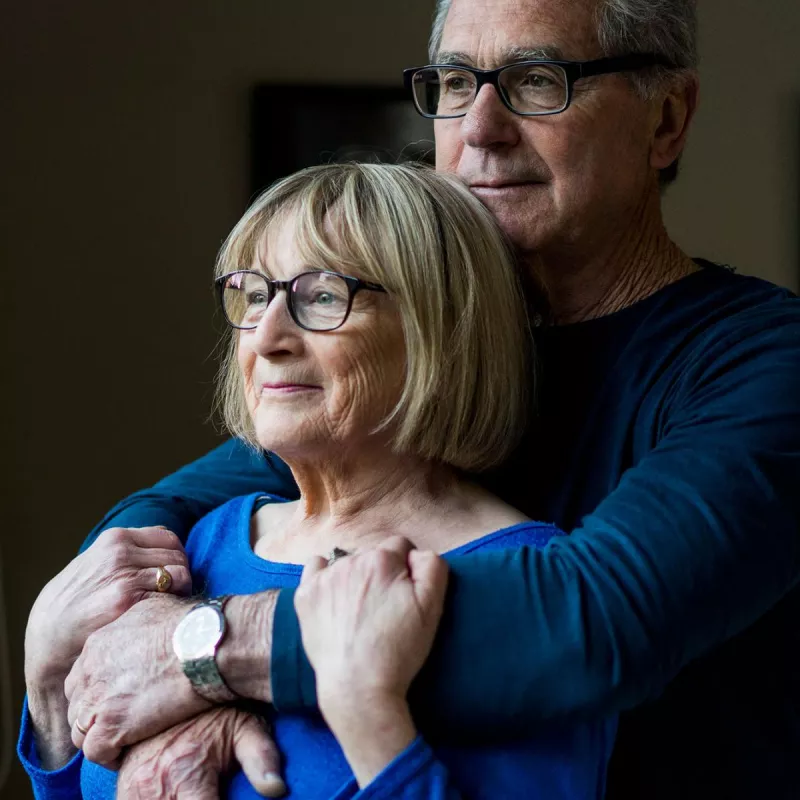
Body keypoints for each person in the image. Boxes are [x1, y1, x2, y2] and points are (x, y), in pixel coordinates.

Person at [23, 0, 800, 797]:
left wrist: (202, 654)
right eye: (457, 84)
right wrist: (164, 693)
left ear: (667, 119)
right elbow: (160, 517)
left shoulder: (764, 361)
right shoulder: (413, 355)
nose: (481, 127)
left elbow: (586, 627)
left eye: (538, 81)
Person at [20, 162, 618, 799]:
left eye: (323, 296)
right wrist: (47, 680)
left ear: (441, 333)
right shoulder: (197, 545)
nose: (268, 335)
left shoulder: (526, 582)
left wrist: (366, 709)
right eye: (255, 294)